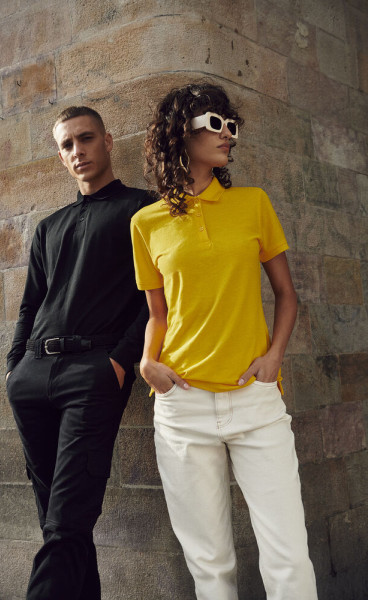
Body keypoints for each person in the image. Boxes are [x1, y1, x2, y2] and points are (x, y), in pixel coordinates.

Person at [130, 82, 318, 600]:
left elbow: (287, 295)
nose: (227, 134)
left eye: (231, 125)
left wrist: (274, 358)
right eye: (215, 124)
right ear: (178, 134)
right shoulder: (145, 223)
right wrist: (147, 362)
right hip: (182, 405)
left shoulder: (253, 204)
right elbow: (158, 314)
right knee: (209, 564)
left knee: (288, 553)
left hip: (255, 399)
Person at [6, 106, 151, 600]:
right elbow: (30, 304)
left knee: (67, 521)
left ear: (107, 141)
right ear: (61, 156)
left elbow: (160, 296)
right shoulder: (49, 227)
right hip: (32, 376)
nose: (77, 151)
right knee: (58, 523)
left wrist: (121, 359)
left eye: (86, 139)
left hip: (93, 373)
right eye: (67, 145)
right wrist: (14, 369)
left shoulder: (142, 209)